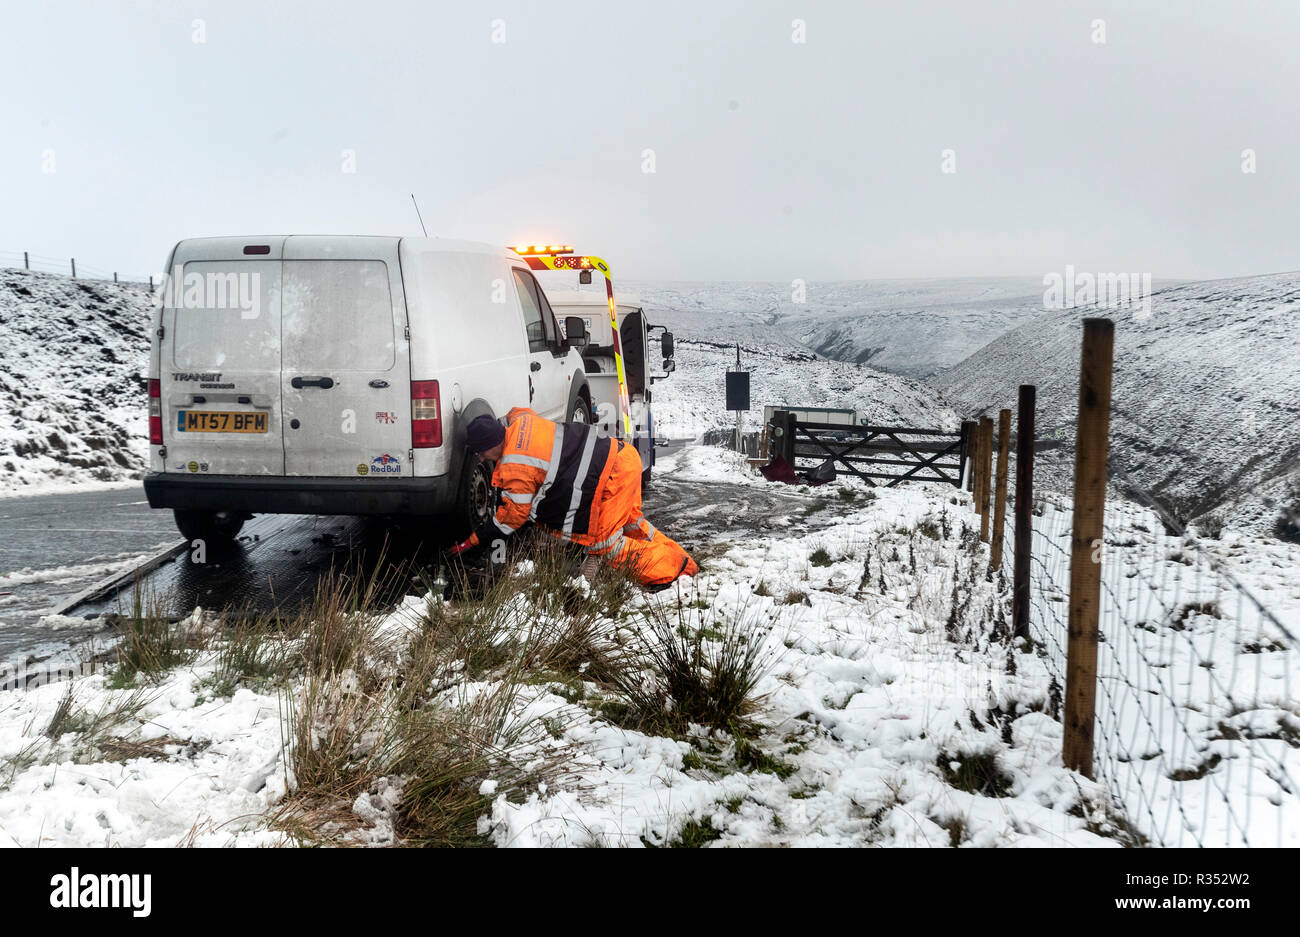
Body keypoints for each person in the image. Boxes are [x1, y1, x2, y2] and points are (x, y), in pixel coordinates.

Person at [448, 409, 697, 589]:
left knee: (606, 544)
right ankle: (687, 563)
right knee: (633, 525)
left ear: (492, 443)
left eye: (481, 452)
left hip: (612, 477)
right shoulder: (521, 421)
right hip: (623, 456)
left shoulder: (515, 465)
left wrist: (473, 540)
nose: (481, 459)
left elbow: (513, 517)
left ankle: (674, 568)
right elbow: (515, 412)